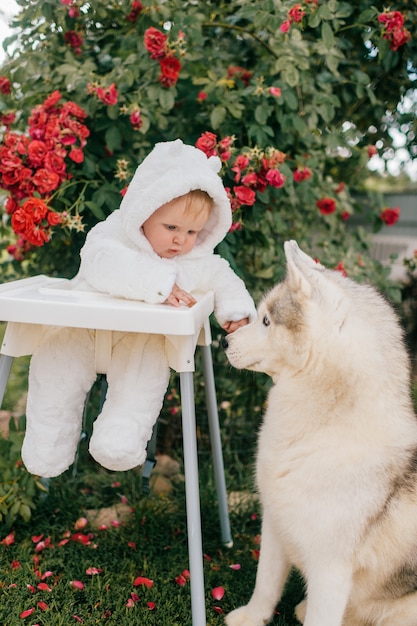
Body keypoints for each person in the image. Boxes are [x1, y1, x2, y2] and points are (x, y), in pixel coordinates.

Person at [21, 139, 256, 478]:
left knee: (145, 374)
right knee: (56, 369)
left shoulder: (197, 259)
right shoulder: (112, 235)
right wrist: (157, 283)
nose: (180, 240)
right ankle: (47, 445)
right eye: (171, 227)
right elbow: (102, 262)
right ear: (143, 212)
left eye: (191, 231)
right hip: (80, 329)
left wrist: (236, 312)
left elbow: (223, 276)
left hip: (139, 340)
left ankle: (121, 439)